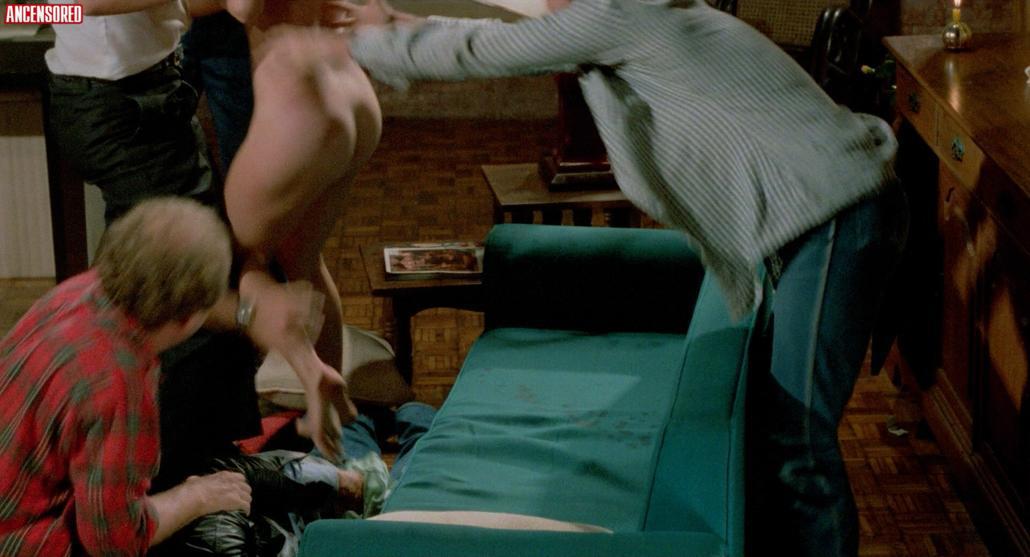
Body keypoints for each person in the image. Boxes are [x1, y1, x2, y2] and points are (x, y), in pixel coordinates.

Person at [331, 1, 910, 555]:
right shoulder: (631, 13)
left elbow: (483, 49)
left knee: (799, 441)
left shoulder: (619, 12)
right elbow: (506, 38)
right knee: (779, 435)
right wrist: (399, 25)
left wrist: (363, 41)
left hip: (835, 213)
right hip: (824, 215)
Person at [43, 0, 353, 473]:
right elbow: (39, 10)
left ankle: (293, 391)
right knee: (182, 273)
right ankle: (179, 461)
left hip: (157, 89)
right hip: (112, 105)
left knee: (215, 249)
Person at [0, 198, 252, 556]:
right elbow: (113, 543)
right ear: (188, 320)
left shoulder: (80, 290)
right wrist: (195, 496)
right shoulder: (122, 387)